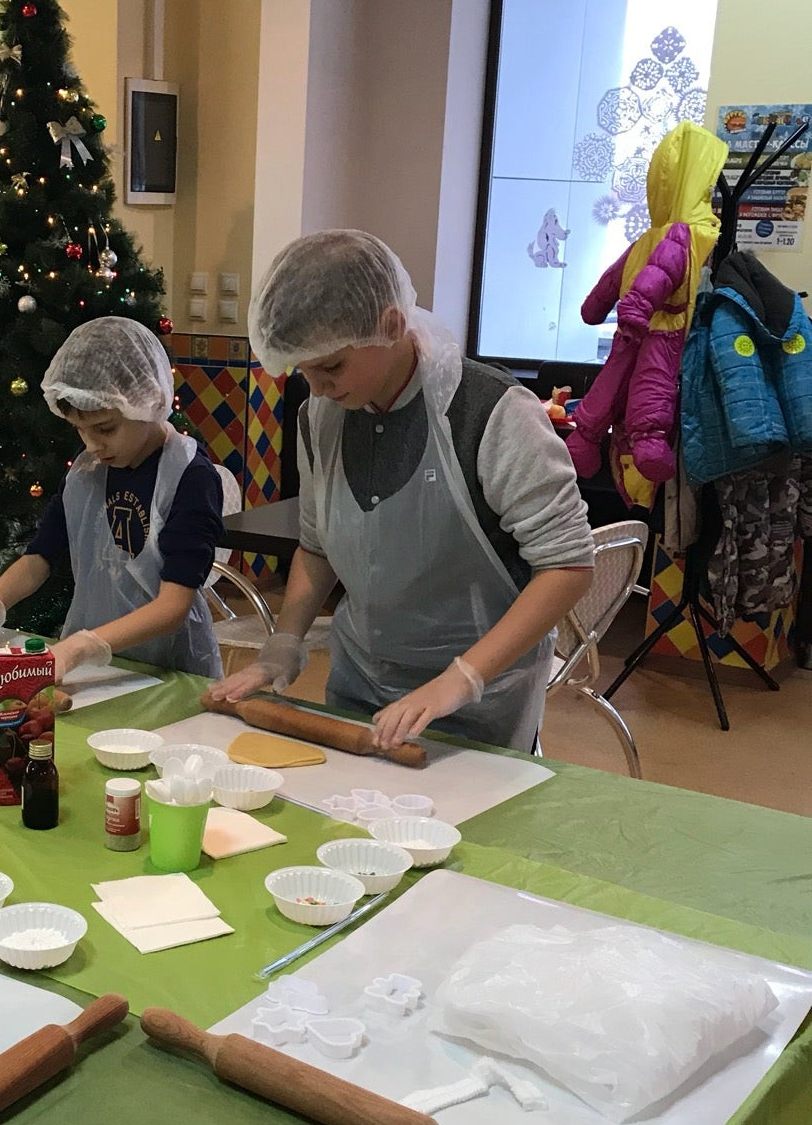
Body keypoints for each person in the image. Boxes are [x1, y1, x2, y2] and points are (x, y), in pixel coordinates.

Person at [205, 231, 593, 751]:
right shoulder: (320, 418)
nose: (317, 386)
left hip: (484, 704)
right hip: (359, 687)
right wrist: (284, 643)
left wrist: (462, 679)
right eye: (304, 370)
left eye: (332, 366)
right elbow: (318, 549)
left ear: (390, 324)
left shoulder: (490, 412)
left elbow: (567, 566)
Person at [0, 318, 225, 678]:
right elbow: (40, 557)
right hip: (96, 670)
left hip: (171, 669)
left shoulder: (189, 476)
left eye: (105, 428)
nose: (92, 445)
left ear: (149, 401)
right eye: (79, 429)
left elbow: (174, 606)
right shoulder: (89, 469)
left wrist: (81, 646)